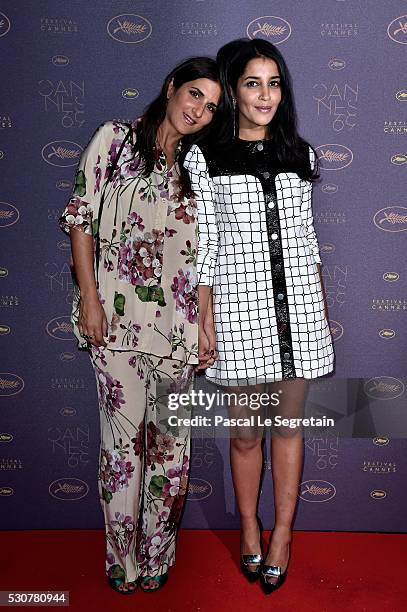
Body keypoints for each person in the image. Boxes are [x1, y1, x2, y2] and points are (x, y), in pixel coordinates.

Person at [59, 57, 222, 594]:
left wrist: (206, 323)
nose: (200, 110)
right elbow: (80, 217)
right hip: (117, 327)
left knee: (172, 451)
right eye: (195, 95)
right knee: (122, 452)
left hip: (177, 332)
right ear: (172, 86)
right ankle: (120, 560)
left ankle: (156, 555)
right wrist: (90, 300)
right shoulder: (115, 140)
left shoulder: (201, 169)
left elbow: (207, 256)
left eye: (212, 106)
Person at [183, 38, 334, 595]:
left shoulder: (301, 153)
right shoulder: (205, 158)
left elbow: (306, 238)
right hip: (240, 310)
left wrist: (315, 305)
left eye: (273, 83)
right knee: (246, 434)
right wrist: (205, 316)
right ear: (234, 90)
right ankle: (249, 524)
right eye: (252, 83)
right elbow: (207, 246)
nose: (265, 95)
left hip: (298, 309)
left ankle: (284, 533)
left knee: (289, 428)